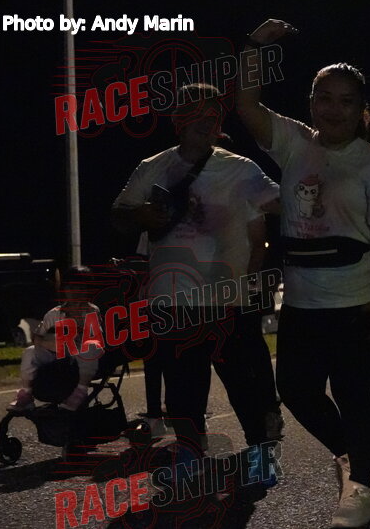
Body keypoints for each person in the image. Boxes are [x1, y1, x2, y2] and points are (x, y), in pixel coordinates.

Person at [237, 19, 370, 528]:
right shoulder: (293, 142)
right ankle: (350, 456)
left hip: (355, 301)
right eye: (324, 98)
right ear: (310, 102)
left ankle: (361, 490)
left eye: (346, 101)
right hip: (302, 302)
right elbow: (245, 103)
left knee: (354, 396)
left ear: (361, 109)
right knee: (296, 391)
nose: (334, 109)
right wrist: (254, 47)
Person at [111, 82, 282, 485]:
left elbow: (283, 205)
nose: (205, 121)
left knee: (244, 384)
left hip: (227, 300)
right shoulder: (152, 166)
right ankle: (189, 456)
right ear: (177, 120)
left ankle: (261, 454)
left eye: (212, 114)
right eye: (195, 112)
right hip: (173, 302)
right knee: (183, 389)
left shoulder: (241, 168)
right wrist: (141, 214)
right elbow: (118, 213)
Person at [8, 266, 103, 412]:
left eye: (81, 288)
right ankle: (26, 394)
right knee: (30, 352)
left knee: (92, 347)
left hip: (79, 354)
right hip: (56, 353)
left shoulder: (92, 311)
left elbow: (96, 337)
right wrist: (48, 343)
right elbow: (37, 336)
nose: (76, 292)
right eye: (71, 288)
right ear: (65, 290)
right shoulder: (54, 314)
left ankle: (80, 392)